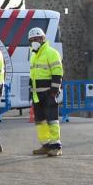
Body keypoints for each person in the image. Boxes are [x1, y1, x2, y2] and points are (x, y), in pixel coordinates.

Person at [28, 26, 63, 156]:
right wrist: (31, 91)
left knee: (52, 120)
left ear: (43, 38)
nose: (34, 42)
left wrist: (54, 91)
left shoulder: (51, 52)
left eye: (36, 39)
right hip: (37, 95)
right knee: (40, 121)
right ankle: (46, 145)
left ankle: (56, 146)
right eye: (31, 40)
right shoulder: (33, 55)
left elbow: (57, 73)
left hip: (48, 93)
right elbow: (33, 75)